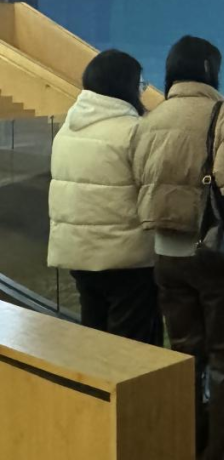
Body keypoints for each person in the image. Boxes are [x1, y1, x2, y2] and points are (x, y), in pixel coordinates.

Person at [132, 36, 224, 460]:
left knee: (185, 353)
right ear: (210, 69)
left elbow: (137, 176)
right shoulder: (222, 114)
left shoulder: (150, 119)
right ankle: (223, 450)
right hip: (210, 254)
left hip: (165, 255)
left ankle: (187, 443)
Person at [47, 49, 162, 345]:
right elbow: (154, 191)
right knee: (132, 349)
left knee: (95, 340)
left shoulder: (67, 128)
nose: (142, 91)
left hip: (79, 254)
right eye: (141, 83)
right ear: (125, 85)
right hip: (128, 259)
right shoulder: (134, 131)